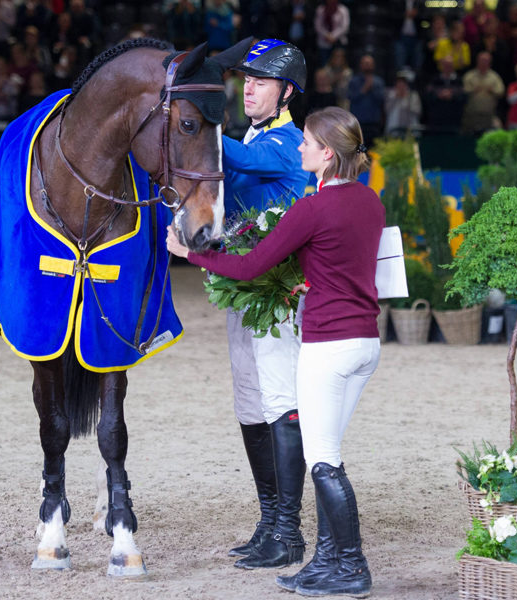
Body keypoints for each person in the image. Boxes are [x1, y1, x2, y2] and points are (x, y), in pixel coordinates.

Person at [166, 105, 384, 598]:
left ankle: (351, 567)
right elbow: (341, 263)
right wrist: (308, 281)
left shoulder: (311, 207)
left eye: (307, 142)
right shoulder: (371, 202)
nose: (300, 148)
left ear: (327, 154)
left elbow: (253, 266)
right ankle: (328, 559)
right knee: (328, 452)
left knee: (323, 459)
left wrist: (190, 253)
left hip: (328, 345)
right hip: (366, 343)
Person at [219, 38, 310, 571]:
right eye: (243, 80)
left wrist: (196, 120)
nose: (247, 87)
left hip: (279, 294)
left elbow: (236, 157)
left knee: (278, 401)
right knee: (251, 404)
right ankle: (269, 520)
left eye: (259, 81)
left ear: (286, 92)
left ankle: (290, 532)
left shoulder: (287, 142)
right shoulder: (253, 135)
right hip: (243, 289)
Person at [462, 50, 505, 134]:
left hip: (489, 116)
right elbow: (463, 91)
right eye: (482, 60)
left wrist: (492, 90)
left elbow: (501, 92)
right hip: (471, 117)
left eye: (486, 60)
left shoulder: (494, 77)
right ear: (477, 61)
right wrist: (473, 90)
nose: (484, 62)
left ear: (490, 62)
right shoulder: (469, 76)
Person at [347, 54, 385, 145]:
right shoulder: (354, 81)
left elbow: (381, 100)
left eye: (369, 63)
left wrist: (372, 88)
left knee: (374, 153)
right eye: (365, 63)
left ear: (373, 65)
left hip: (374, 124)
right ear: (361, 65)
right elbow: (351, 98)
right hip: (358, 124)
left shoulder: (379, 82)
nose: (367, 65)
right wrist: (364, 89)